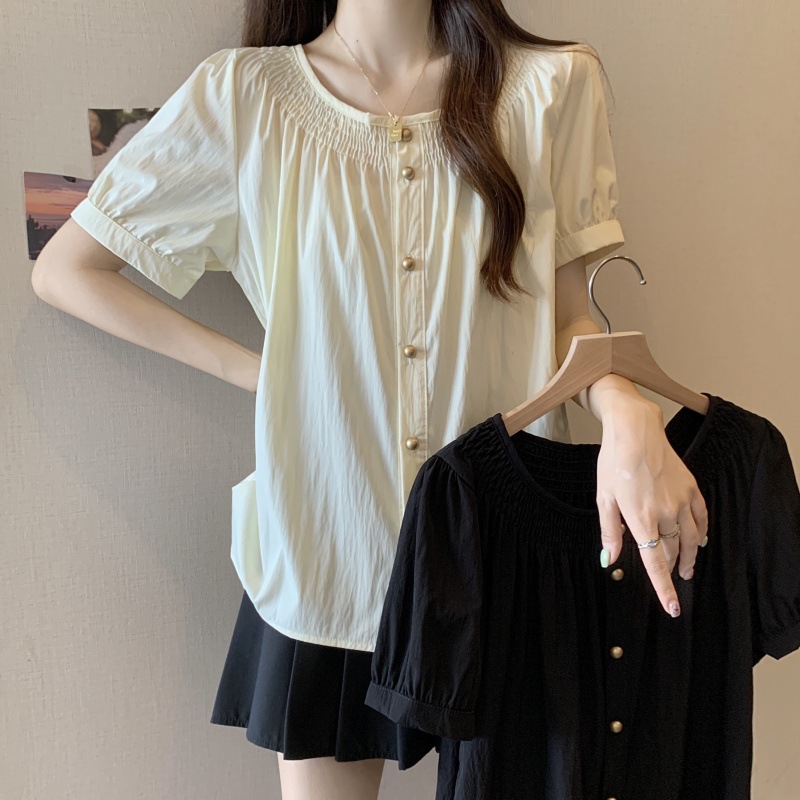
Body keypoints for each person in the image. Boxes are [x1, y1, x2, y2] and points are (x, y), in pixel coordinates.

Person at [30, 1, 709, 798]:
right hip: (328, 542)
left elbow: (567, 316)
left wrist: (626, 406)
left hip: (500, 542)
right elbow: (67, 270)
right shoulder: (245, 95)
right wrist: (264, 375)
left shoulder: (552, 86)